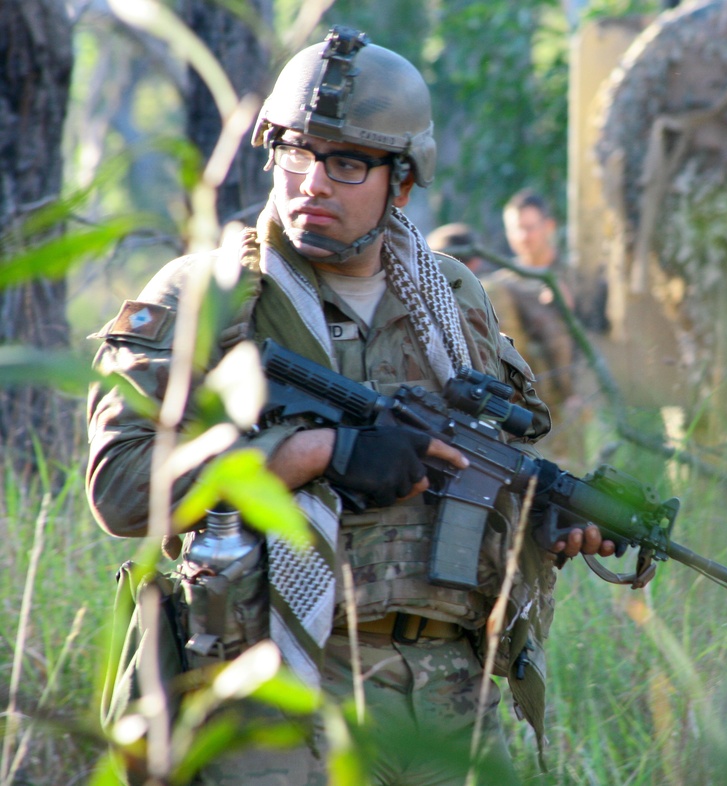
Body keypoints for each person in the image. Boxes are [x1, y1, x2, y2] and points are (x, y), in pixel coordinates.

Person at [86, 25, 614, 786]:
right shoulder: (205, 299)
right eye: (293, 154)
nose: (311, 184)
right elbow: (121, 490)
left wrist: (540, 515)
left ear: (401, 180)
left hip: (443, 698)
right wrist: (314, 455)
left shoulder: (453, 298)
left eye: (345, 163)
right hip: (269, 696)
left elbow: (475, 453)